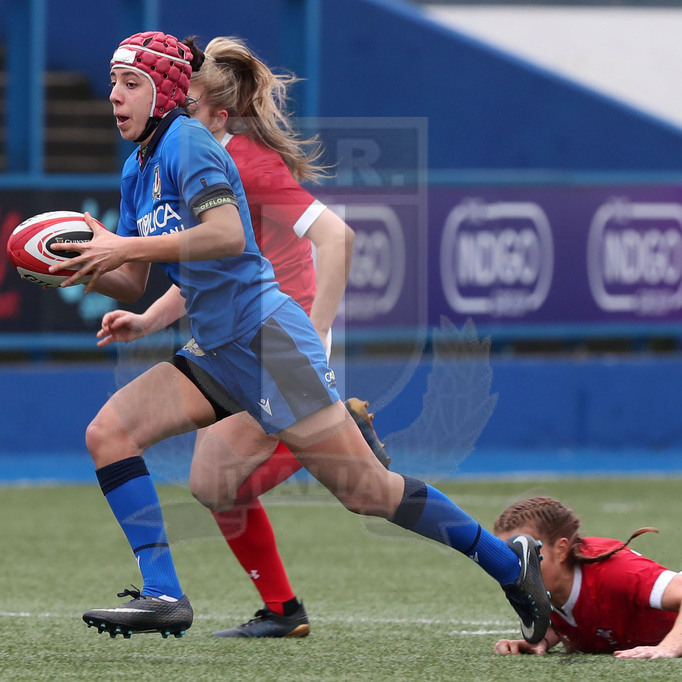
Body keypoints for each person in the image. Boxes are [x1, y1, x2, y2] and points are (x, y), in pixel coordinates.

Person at [49, 30, 550, 644]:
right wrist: (81, 267)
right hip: (217, 351)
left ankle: (510, 563)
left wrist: (123, 245)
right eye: (113, 82)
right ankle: (164, 593)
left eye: (131, 84)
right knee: (109, 433)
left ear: (168, 92)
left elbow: (228, 236)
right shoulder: (138, 168)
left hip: (270, 342)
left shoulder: (192, 145)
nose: (113, 96)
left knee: (368, 492)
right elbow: (131, 281)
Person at [94, 34, 389, 638]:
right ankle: (283, 610)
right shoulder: (182, 164)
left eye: (189, 106)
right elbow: (204, 268)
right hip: (240, 333)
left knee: (334, 488)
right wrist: (148, 319)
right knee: (212, 482)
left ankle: (342, 436)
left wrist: (319, 334)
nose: (177, 116)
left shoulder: (242, 164)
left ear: (212, 113)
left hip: (277, 336)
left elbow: (337, 236)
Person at [492, 496, 682, 658]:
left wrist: (668, 648)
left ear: (561, 549)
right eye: (507, 556)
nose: (516, 565)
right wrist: (542, 639)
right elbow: (586, 611)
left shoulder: (615, 570)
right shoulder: (548, 589)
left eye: (526, 553)